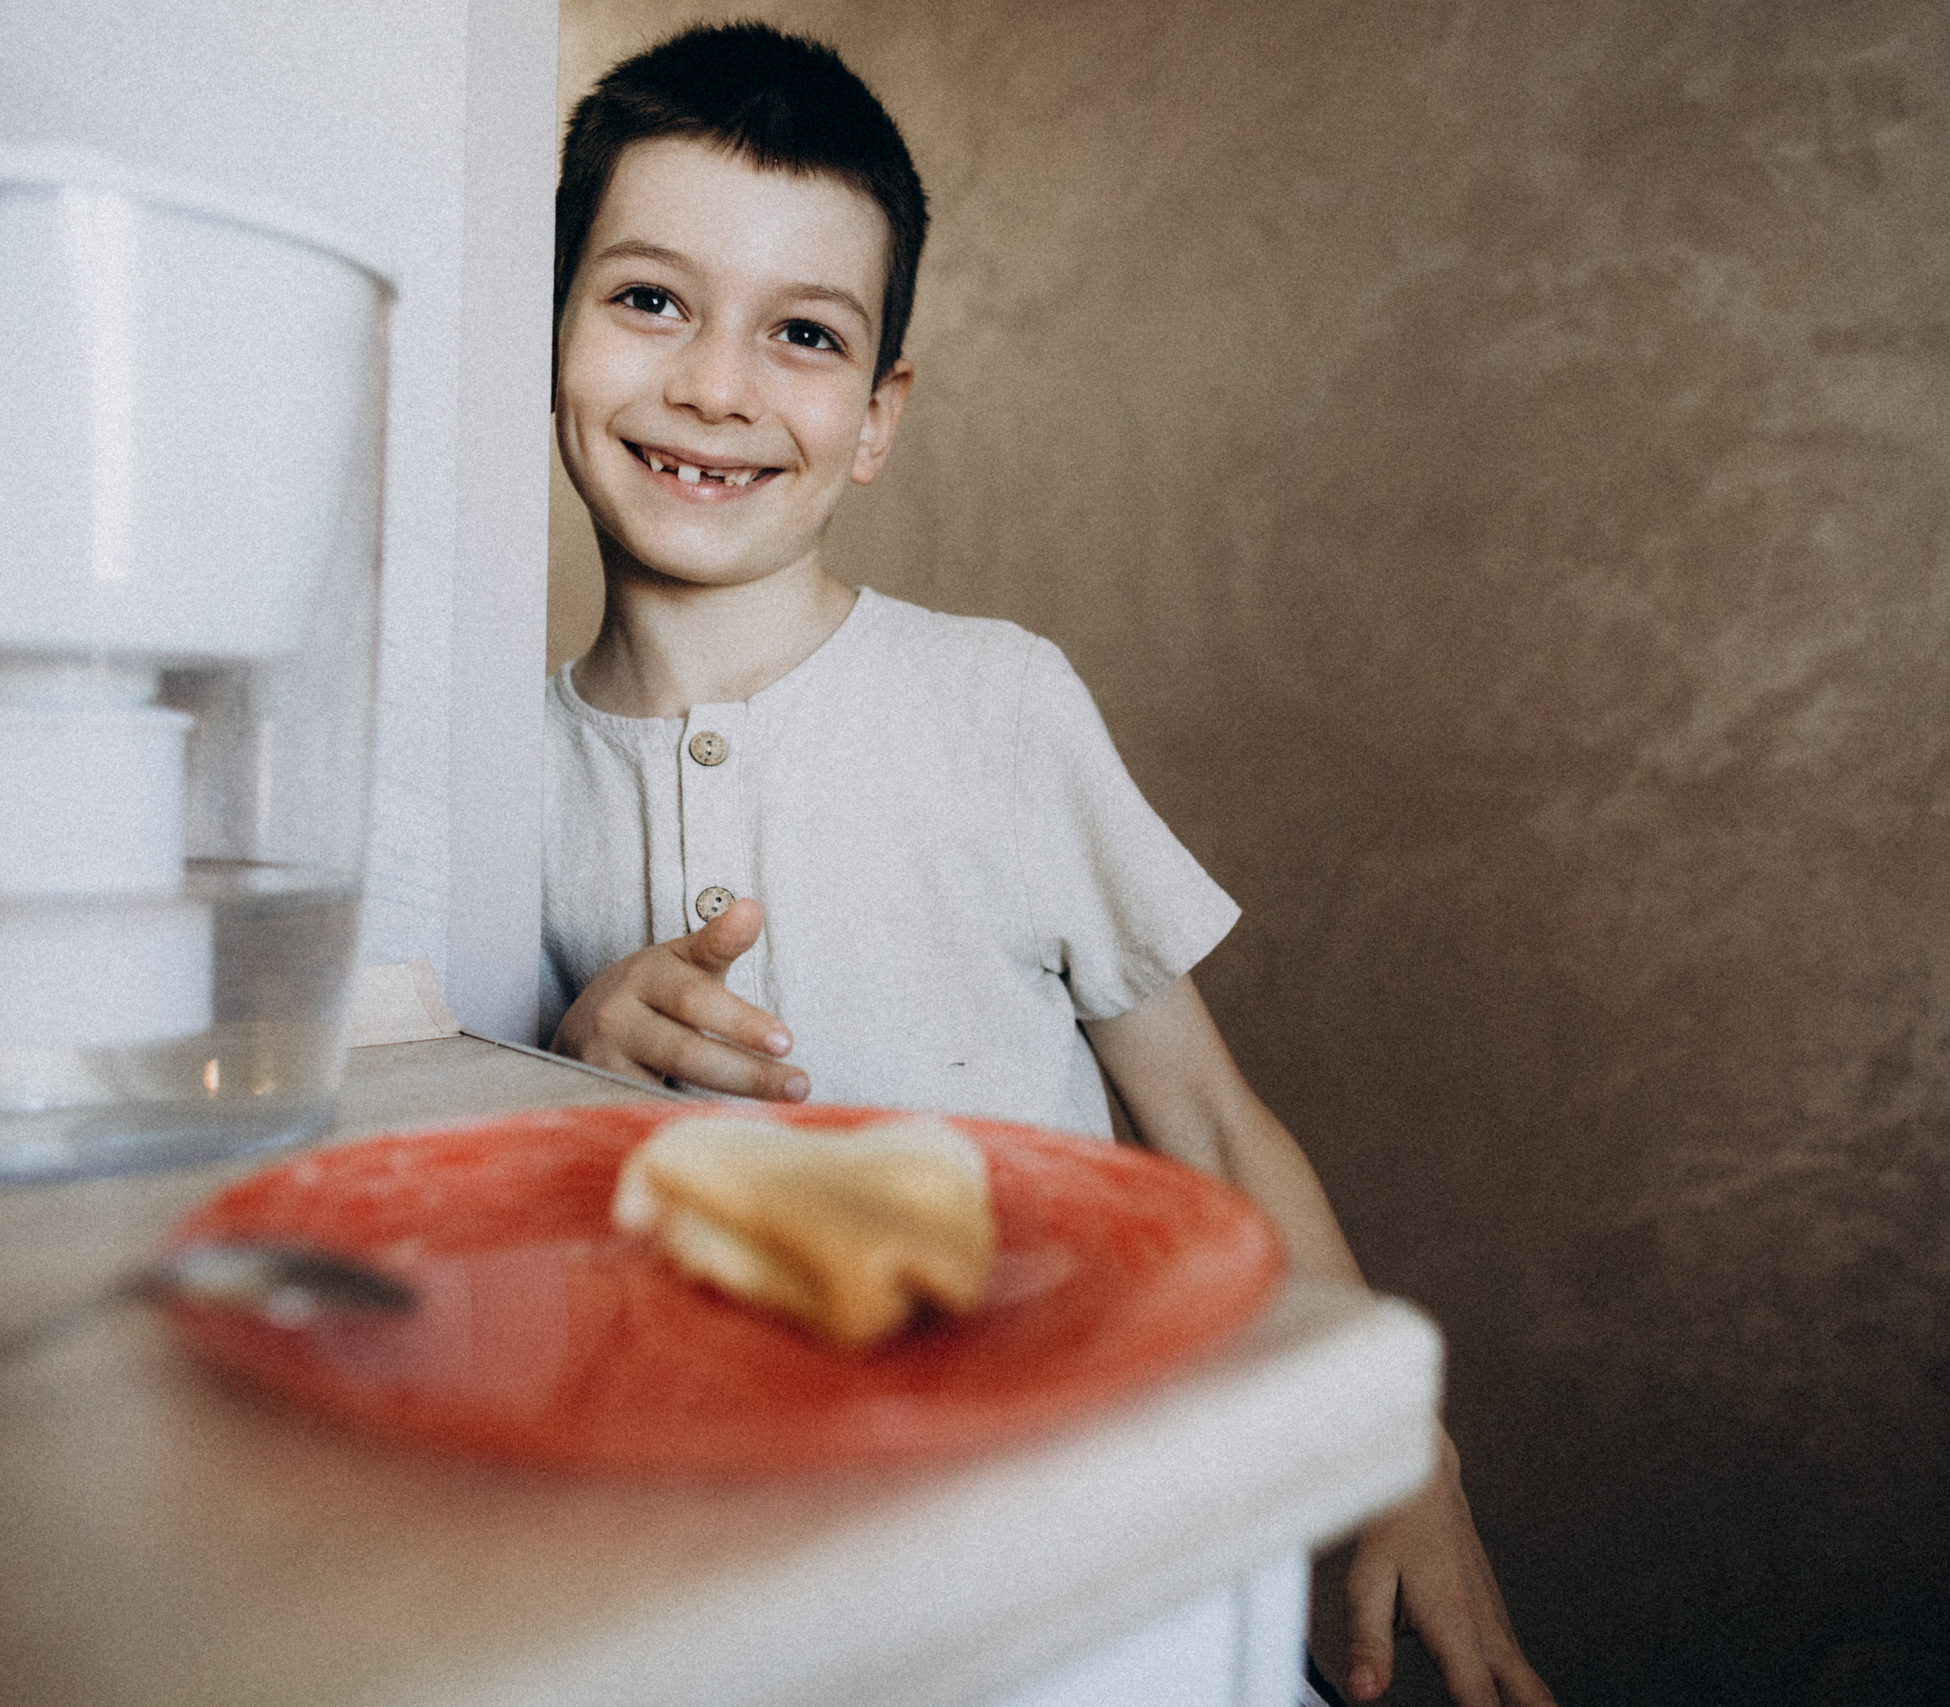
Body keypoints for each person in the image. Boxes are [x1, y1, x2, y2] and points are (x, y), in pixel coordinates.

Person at [539, 22, 1554, 1706]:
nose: (716, 384)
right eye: (650, 299)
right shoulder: (490, 780)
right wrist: (569, 1070)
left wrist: (1398, 1441)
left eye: (802, 334)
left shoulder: (994, 705)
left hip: (1103, 1574)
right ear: (550, 326)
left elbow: (1212, 1120)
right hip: (738, 1608)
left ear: (877, 418)